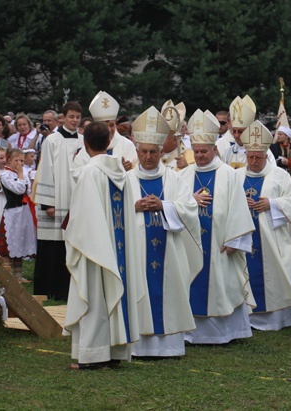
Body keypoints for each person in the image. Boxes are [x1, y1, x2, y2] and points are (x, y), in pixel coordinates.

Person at [64, 121, 145, 370]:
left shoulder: (89, 172)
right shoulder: (121, 173)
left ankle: (92, 355)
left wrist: (74, 242)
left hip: (94, 246)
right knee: (112, 295)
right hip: (118, 247)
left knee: (95, 298)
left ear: (85, 143)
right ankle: (114, 351)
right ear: (109, 142)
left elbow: (82, 216)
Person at [128, 106, 202, 358]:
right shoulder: (125, 180)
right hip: (137, 250)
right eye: (144, 151)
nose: (148, 157)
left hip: (169, 250)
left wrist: (163, 205)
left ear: (162, 152)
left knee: (168, 292)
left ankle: (168, 346)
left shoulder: (174, 179)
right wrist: (134, 207)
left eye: (153, 152)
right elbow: (113, 213)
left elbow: (189, 207)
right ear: (137, 151)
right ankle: (137, 346)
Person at [180, 109, 256, 345]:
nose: (200, 156)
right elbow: (174, 205)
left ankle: (224, 333)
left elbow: (238, 208)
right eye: (197, 151)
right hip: (190, 244)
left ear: (214, 149)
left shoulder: (229, 175)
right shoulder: (182, 175)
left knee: (224, 286)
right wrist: (190, 200)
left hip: (221, 244)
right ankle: (190, 333)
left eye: (204, 151)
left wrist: (236, 240)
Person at [236, 120, 291, 331]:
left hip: (272, 237)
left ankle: (279, 319)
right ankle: (245, 316)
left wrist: (272, 204)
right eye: (250, 157)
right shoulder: (236, 176)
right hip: (244, 236)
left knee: (276, 274)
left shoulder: (280, 176)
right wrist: (240, 203)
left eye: (258, 157)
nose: (254, 161)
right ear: (245, 156)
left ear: (267, 156)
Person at [34, 101, 83, 300]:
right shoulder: (52, 140)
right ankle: (47, 289)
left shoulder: (82, 139)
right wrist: (48, 203)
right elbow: (45, 170)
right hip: (56, 199)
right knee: (53, 246)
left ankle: (66, 290)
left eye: (78, 117)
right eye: (71, 117)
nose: (74, 120)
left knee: (71, 246)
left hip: (75, 199)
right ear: (63, 117)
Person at [0, 149, 37, 282]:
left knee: (20, 242)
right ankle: (7, 275)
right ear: (9, 161)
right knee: (9, 243)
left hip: (24, 213)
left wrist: (21, 175)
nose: (19, 163)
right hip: (12, 213)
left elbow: (28, 190)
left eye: (22, 161)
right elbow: (19, 189)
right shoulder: (5, 175)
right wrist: (20, 175)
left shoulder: (21, 174)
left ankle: (18, 275)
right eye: (16, 160)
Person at [73, 91, 137, 172]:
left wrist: (127, 171)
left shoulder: (127, 146)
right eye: (104, 126)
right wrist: (119, 171)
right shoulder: (88, 148)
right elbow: (78, 174)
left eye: (111, 125)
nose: (109, 130)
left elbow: (135, 173)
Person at [221, 96, 275, 169]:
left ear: (250, 130)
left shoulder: (263, 152)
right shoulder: (228, 153)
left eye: (240, 131)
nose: (236, 135)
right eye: (234, 131)